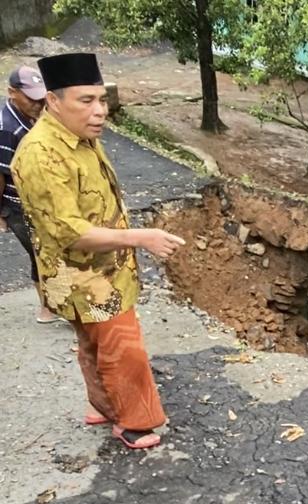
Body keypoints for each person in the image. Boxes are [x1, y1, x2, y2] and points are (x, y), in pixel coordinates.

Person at [11, 53, 186, 450]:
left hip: (104, 268)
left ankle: (105, 406)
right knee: (125, 348)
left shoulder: (81, 139)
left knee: (94, 344)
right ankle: (134, 423)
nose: (99, 111)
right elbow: (70, 233)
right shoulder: (42, 154)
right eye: (85, 101)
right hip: (84, 277)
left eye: (101, 100)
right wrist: (142, 237)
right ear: (53, 101)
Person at [0, 65, 58, 323]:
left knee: (48, 250)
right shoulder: (6, 128)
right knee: (40, 253)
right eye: (32, 98)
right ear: (12, 93)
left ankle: (55, 304)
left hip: (39, 201)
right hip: (17, 205)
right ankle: (48, 308)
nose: (38, 103)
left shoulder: (31, 116)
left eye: (41, 97)